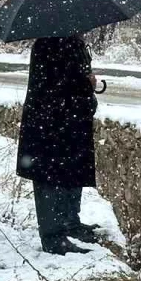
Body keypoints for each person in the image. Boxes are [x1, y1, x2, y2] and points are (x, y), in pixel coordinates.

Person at [17, 35, 102, 255]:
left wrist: (89, 84)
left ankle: (69, 222)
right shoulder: (51, 43)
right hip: (52, 122)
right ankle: (53, 238)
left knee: (71, 172)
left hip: (68, 121)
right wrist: (87, 83)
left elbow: (74, 79)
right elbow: (61, 83)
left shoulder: (72, 41)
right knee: (50, 177)